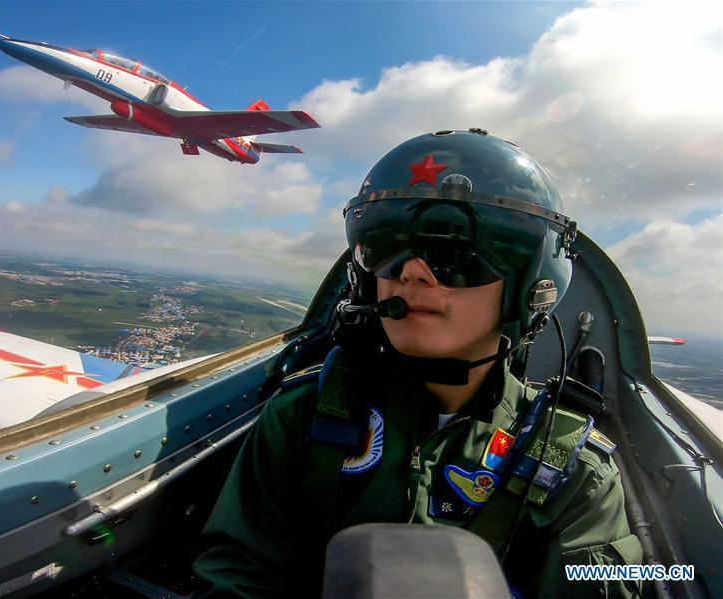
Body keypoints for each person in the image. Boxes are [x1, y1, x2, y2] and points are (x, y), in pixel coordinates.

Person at [193, 129, 643, 598]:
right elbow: (236, 572)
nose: (411, 271)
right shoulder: (303, 414)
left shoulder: (573, 472)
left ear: (530, 282)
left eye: (455, 253)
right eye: (388, 243)